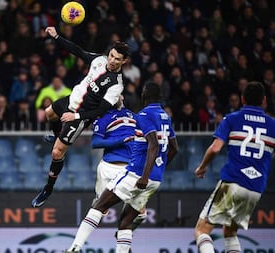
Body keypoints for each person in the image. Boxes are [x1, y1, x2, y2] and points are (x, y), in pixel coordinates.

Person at [66, 82, 178, 252]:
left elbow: (153, 144)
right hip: (121, 169)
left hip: (135, 172)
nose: (118, 96)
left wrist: (145, 175)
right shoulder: (163, 116)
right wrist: (157, 169)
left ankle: (75, 248)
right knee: (121, 220)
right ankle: (83, 246)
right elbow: (173, 148)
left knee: (102, 207)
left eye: (119, 93)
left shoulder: (138, 115)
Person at [31, 26, 129, 208]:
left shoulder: (116, 85)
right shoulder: (99, 60)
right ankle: (57, 133)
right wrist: (57, 37)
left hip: (80, 115)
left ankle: (48, 188)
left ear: (124, 61)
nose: (112, 60)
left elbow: (100, 111)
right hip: (71, 100)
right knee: (48, 113)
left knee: (57, 152)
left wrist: (75, 116)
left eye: (117, 59)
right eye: (112, 55)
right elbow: (77, 51)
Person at [193, 82, 275, 253]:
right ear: (264, 101)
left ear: (242, 99)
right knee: (230, 232)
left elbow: (215, 148)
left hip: (233, 181)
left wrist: (202, 167)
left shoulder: (232, 119)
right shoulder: (272, 125)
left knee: (201, 230)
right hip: (255, 187)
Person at [91, 95, 146, 230]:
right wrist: (120, 141)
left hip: (131, 167)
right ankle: (76, 245)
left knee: (141, 213)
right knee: (99, 209)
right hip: (108, 166)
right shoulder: (103, 117)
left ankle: (123, 233)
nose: (116, 97)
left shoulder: (135, 117)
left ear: (122, 96)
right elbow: (95, 143)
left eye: (118, 94)